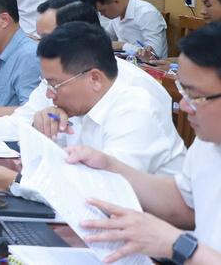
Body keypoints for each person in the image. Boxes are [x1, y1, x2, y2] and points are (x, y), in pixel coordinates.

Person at [0, 23, 185, 195]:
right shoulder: (77, 101)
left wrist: (15, 181)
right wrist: (43, 131)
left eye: (55, 85)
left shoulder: (135, 110)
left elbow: (106, 192)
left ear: (94, 78)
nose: (48, 94)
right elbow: (55, 167)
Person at [65, 24, 221, 264]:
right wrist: (110, 166)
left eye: (195, 95)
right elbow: (184, 203)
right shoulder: (207, 143)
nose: (185, 106)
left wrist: (175, 243)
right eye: (183, 91)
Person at [0, 0, 172, 145]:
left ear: (80, 35)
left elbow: (112, 186)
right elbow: (20, 123)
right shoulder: (56, 77)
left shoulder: (137, 95)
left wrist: (15, 181)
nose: (38, 46)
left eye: (47, 38)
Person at [90, 0, 168, 59]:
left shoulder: (147, 13)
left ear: (116, 1)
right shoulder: (116, 13)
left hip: (149, 67)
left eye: (103, 10)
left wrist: (122, 46)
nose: (102, 14)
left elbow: (154, 54)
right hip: (126, 62)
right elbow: (108, 38)